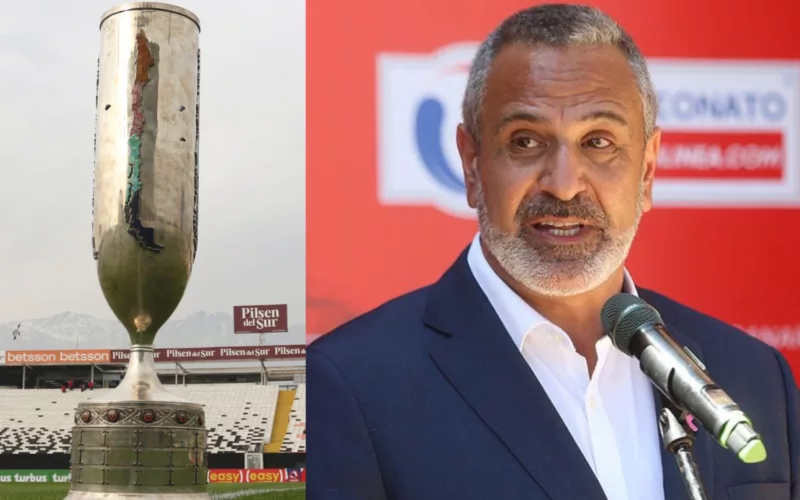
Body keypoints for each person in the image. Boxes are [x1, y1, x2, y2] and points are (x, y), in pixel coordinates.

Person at [306, 4, 799, 500]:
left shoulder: (754, 377)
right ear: (473, 166)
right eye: (525, 141)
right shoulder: (349, 385)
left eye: (599, 142)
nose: (564, 186)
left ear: (647, 171)